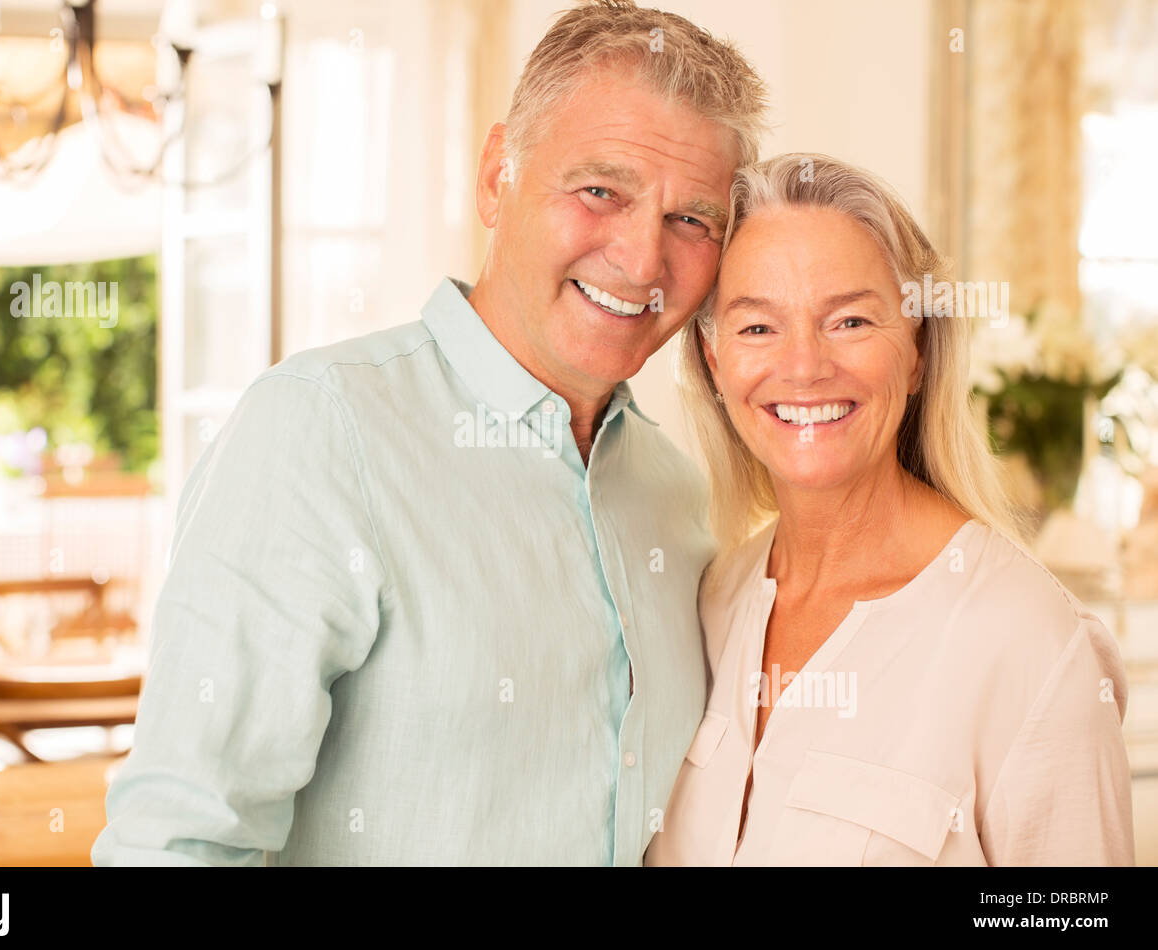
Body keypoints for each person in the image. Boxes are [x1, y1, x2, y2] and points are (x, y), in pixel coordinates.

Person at [92, 1, 766, 866]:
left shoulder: (676, 496)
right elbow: (179, 843)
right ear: (497, 177)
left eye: (692, 221)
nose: (642, 260)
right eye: (600, 190)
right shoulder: (320, 431)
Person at [647, 153, 1134, 866]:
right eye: (757, 328)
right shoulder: (709, 602)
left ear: (916, 352)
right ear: (715, 362)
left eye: (849, 321)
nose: (805, 366)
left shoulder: (1029, 643)